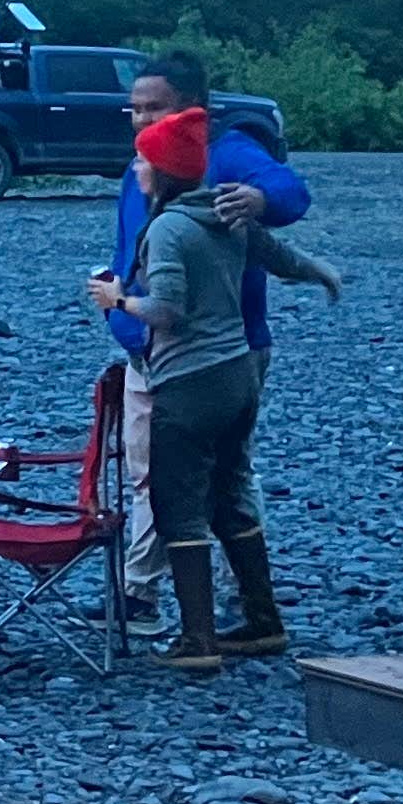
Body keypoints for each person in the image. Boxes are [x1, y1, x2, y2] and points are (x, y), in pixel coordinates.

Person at [92, 109, 339, 671]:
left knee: (177, 501)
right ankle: (262, 620)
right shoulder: (223, 215)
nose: (135, 167)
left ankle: (197, 640)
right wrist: (323, 273)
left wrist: (119, 302)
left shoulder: (169, 229)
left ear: (159, 170)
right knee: (228, 494)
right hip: (237, 377)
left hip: (191, 382)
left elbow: (168, 311)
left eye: (141, 159)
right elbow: (279, 257)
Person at [105, 52, 310, 612]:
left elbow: (293, 192)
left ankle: (242, 596)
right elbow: (131, 248)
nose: (142, 119)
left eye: (155, 108)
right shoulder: (140, 168)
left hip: (222, 350)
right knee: (147, 470)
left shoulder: (228, 153)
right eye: (135, 108)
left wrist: (261, 199)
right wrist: (119, 310)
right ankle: (141, 593)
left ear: (192, 109)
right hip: (148, 346)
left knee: (225, 476)